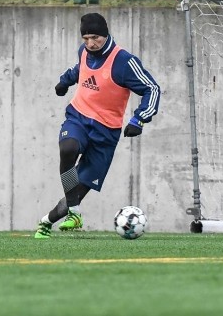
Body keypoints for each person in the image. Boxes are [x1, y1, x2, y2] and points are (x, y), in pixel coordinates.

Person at [34, 13, 160, 239]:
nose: (90, 43)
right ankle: (75, 213)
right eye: (85, 38)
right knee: (68, 149)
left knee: (79, 189)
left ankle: (47, 221)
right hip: (78, 118)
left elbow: (152, 88)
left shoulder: (124, 62)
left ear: (105, 34)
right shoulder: (84, 52)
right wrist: (65, 81)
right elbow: (79, 69)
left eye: (95, 38)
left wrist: (139, 119)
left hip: (106, 133)